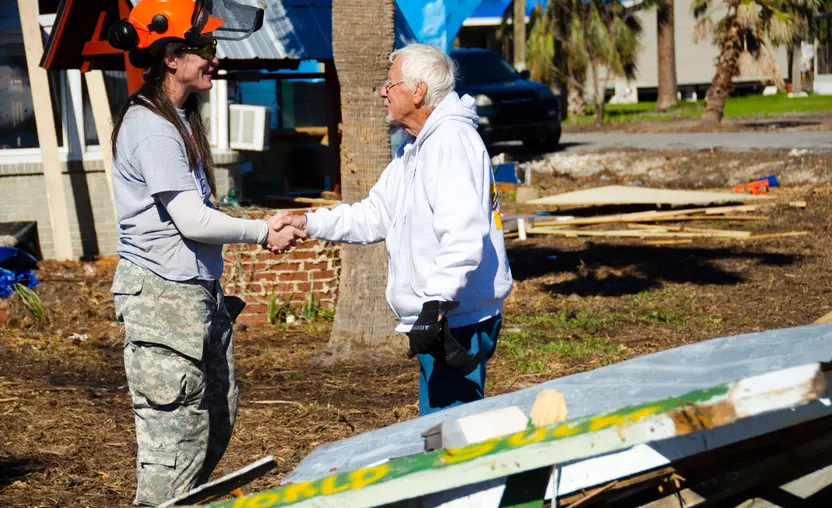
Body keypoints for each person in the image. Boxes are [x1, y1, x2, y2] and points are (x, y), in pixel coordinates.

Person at [105, 0, 301, 505]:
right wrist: (262, 231)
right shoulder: (150, 126)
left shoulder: (180, 119)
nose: (214, 58)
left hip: (195, 297)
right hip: (161, 299)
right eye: (204, 49)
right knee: (172, 448)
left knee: (214, 419)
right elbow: (191, 220)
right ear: (171, 58)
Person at [272, 44, 513, 415]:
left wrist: (434, 307)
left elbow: (464, 234)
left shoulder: (450, 142)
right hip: (443, 316)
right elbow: (374, 214)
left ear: (418, 91)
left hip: (455, 319)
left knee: (451, 432)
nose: (383, 91)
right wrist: (307, 222)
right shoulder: (415, 147)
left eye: (391, 83)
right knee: (443, 427)